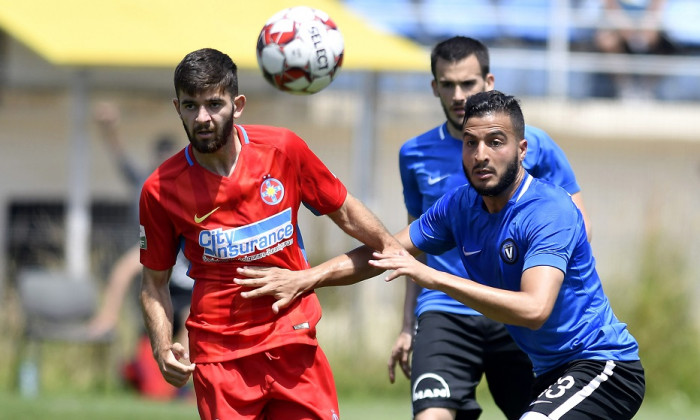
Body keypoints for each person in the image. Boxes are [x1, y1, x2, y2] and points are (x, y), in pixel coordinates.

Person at [236, 90, 645, 420]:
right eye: (471, 143)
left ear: (522, 149)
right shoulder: (459, 206)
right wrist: (307, 278)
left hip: (604, 366)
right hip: (548, 371)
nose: (481, 154)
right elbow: (386, 251)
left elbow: (534, 308)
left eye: (495, 142)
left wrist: (431, 277)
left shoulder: (548, 210)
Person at [138, 47, 403, 420]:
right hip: (220, 356)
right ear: (177, 108)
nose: (202, 117)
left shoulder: (283, 150)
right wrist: (162, 346)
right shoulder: (160, 189)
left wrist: (391, 248)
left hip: (292, 339)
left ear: (238, 104)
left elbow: (343, 209)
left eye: (214, 104)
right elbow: (153, 284)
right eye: (190, 106)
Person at [390, 36, 591, 420]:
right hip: (444, 311)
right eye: (447, 84)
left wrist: (546, 299)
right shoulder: (413, 154)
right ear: (434, 87)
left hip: (514, 313)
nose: (458, 94)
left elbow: (577, 228)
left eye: (468, 83)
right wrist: (406, 325)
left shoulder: (534, 144)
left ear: (489, 81)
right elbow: (411, 247)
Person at [88, 102, 194, 400]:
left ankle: (184, 379)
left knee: (190, 317)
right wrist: (108, 127)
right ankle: (107, 319)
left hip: (182, 258)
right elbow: (119, 156)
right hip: (151, 251)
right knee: (126, 270)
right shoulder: (145, 183)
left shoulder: (186, 183)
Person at [591, 0, 676, 99]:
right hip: (618, 21)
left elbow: (658, 5)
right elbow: (609, 4)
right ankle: (626, 88)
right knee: (607, 41)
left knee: (668, 45)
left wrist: (648, 24)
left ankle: (647, 89)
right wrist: (623, 25)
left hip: (650, 23)